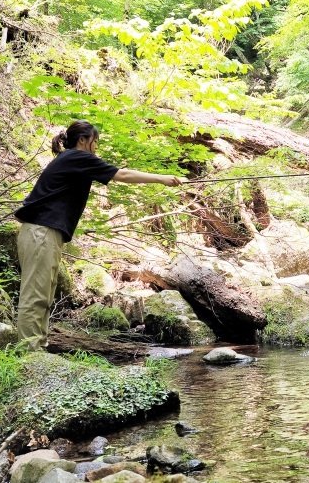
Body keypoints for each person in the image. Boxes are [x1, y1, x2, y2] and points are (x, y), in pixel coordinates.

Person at [14, 119, 185, 351]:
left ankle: (37, 350)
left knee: (43, 294)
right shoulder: (77, 157)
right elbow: (122, 175)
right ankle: (28, 354)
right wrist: (161, 179)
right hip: (41, 233)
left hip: (44, 233)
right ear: (83, 140)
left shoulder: (72, 161)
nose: (96, 148)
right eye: (95, 142)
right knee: (35, 295)